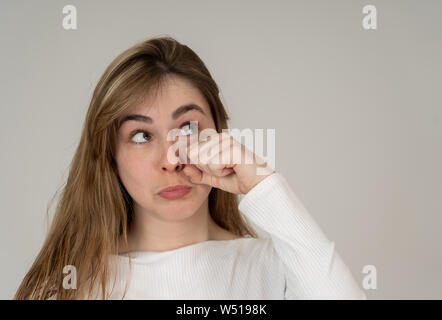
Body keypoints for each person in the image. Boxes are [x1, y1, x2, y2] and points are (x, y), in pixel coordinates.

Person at [14, 36, 366, 300]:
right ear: (110, 155)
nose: (171, 160)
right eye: (140, 135)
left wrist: (263, 184)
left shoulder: (276, 270)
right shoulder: (68, 287)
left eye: (187, 129)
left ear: (219, 133)